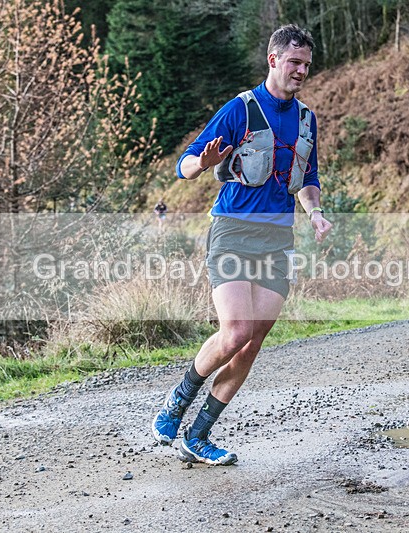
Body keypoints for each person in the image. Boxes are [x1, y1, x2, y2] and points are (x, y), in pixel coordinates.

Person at [151, 24, 332, 466]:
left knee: (253, 343)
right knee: (235, 333)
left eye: (307, 64)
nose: (301, 71)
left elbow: (307, 177)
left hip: (278, 239)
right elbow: (184, 164)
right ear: (273, 60)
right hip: (232, 230)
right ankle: (177, 401)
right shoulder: (241, 109)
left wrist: (315, 212)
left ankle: (198, 436)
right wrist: (203, 163)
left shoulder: (306, 119)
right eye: (294, 62)